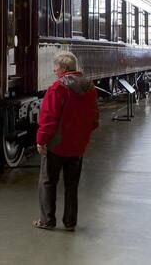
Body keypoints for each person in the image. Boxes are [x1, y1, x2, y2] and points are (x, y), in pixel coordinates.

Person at [34, 51, 99, 232]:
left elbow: (49, 119)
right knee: (72, 185)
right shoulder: (90, 88)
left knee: (48, 182)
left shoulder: (58, 89)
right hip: (78, 146)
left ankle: (47, 220)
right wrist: (81, 136)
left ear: (63, 68)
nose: (54, 70)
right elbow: (94, 119)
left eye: (55, 67)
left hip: (57, 145)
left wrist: (41, 141)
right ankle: (70, 222)